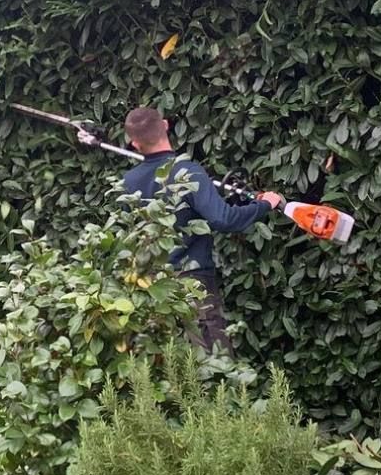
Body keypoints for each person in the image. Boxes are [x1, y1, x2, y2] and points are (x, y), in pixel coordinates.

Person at [115, 106, 282, 350]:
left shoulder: (128, 182)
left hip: (153, 286)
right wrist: (264, 204)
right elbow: (223, 219)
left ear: (134, 144)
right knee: (213, 358)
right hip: (192, 282)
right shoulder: (188, 171)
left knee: (168, 357)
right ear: (165, 125)